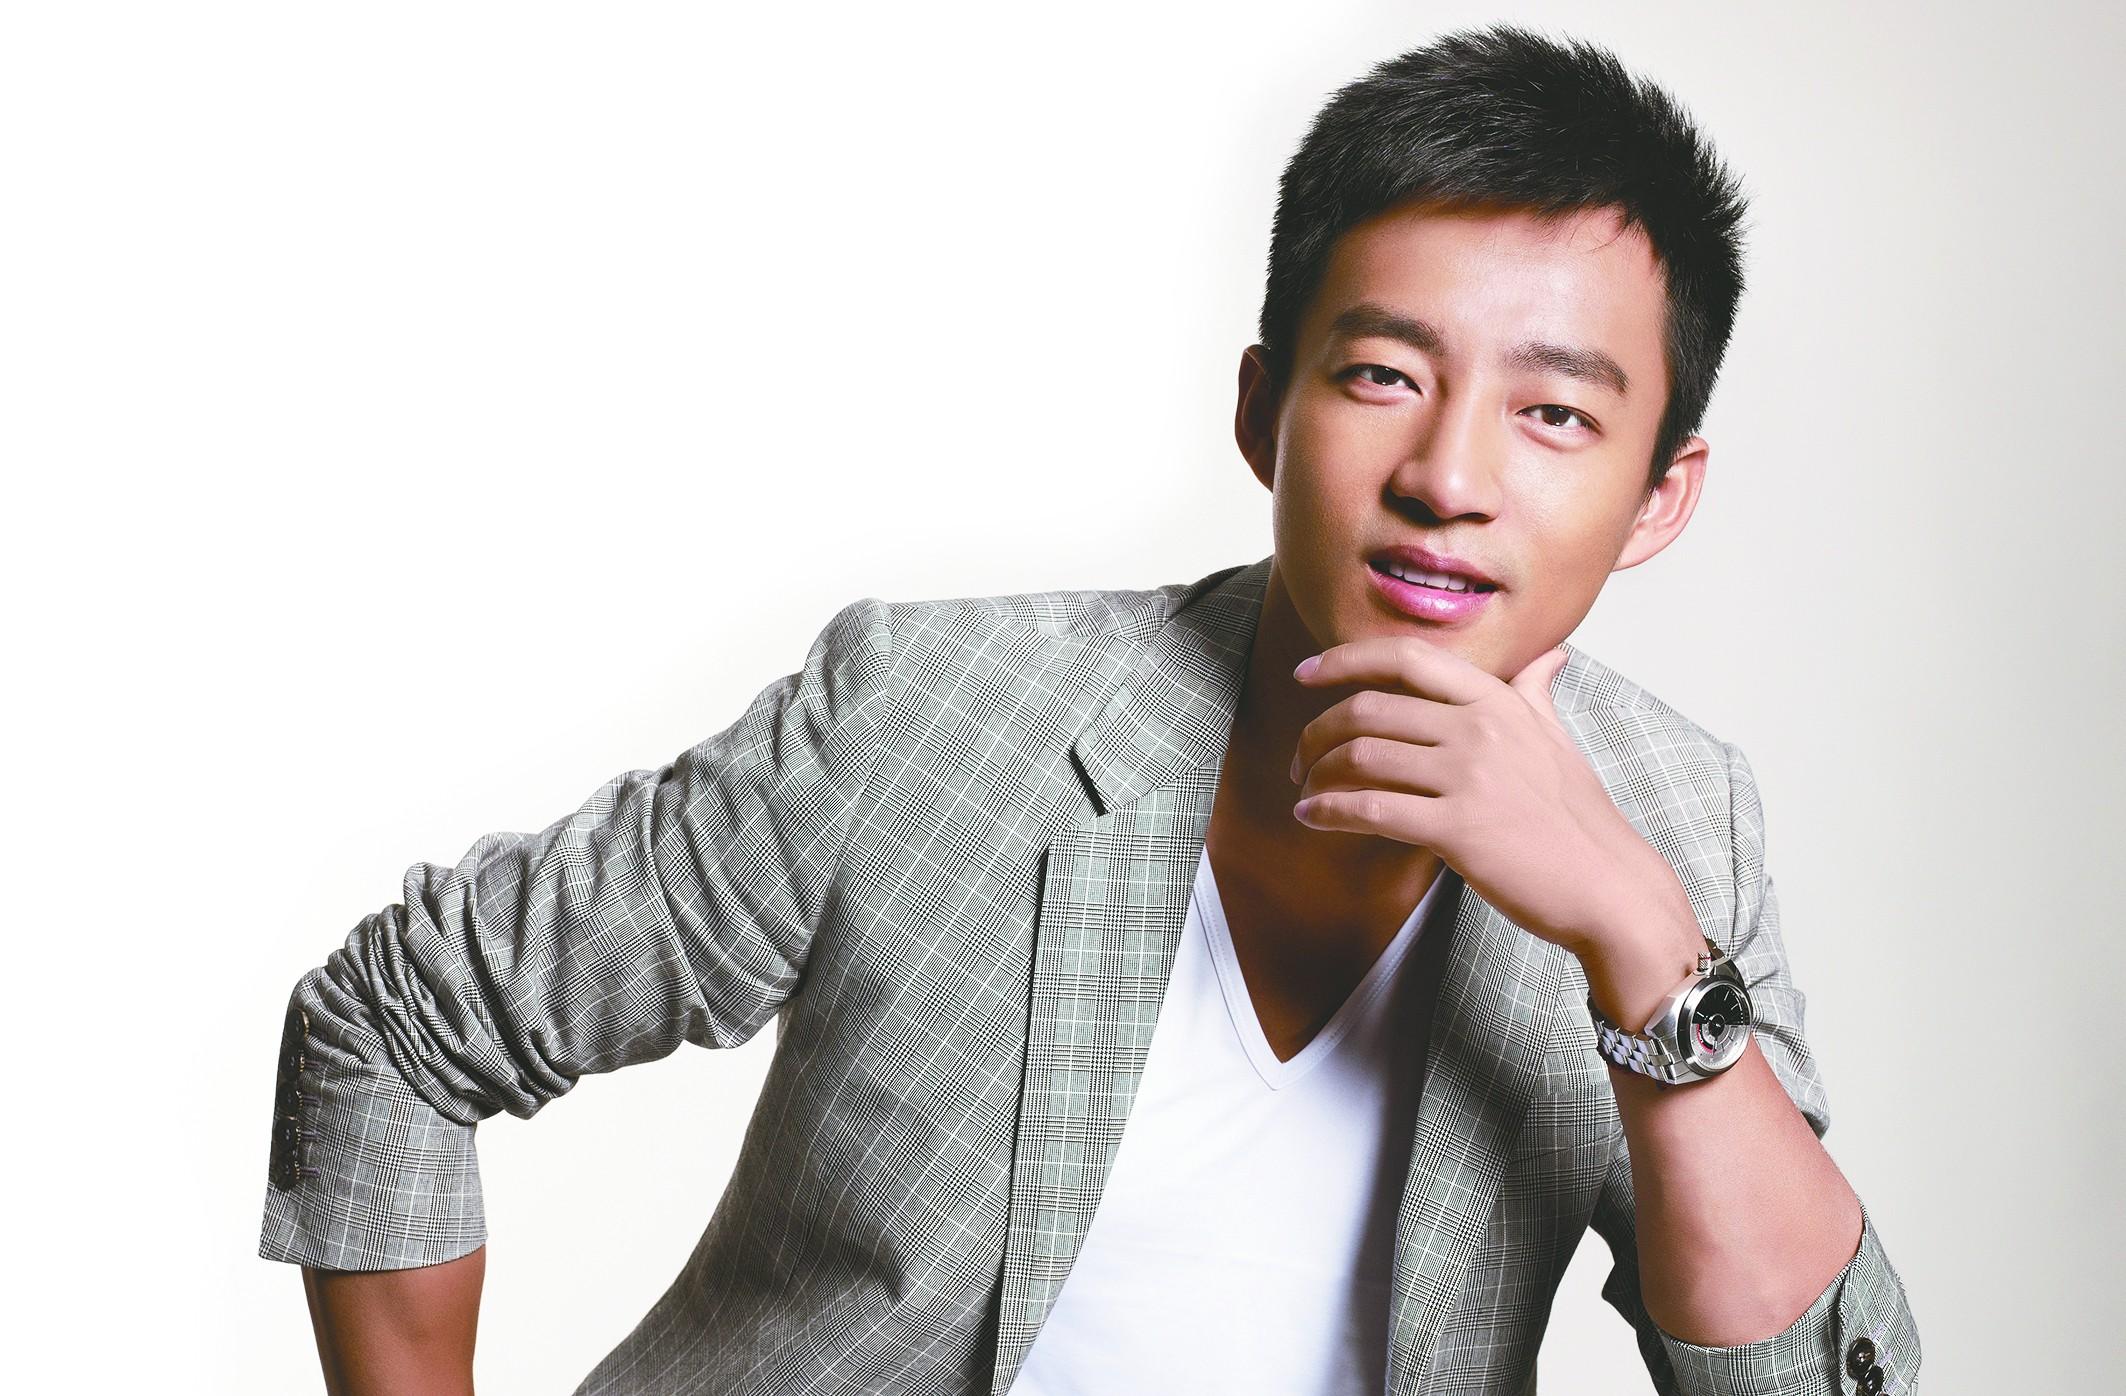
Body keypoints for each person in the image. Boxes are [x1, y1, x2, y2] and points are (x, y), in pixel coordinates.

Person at [261, 23, 1920, 1395]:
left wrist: (1635, 933)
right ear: (1264, 414)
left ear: (1656, 496)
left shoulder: (1674, 823)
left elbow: (1812, 1380)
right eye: (1381, 375)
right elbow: (398, 1023)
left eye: (1553, 414)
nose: (1447, 475)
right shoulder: (930, 716)